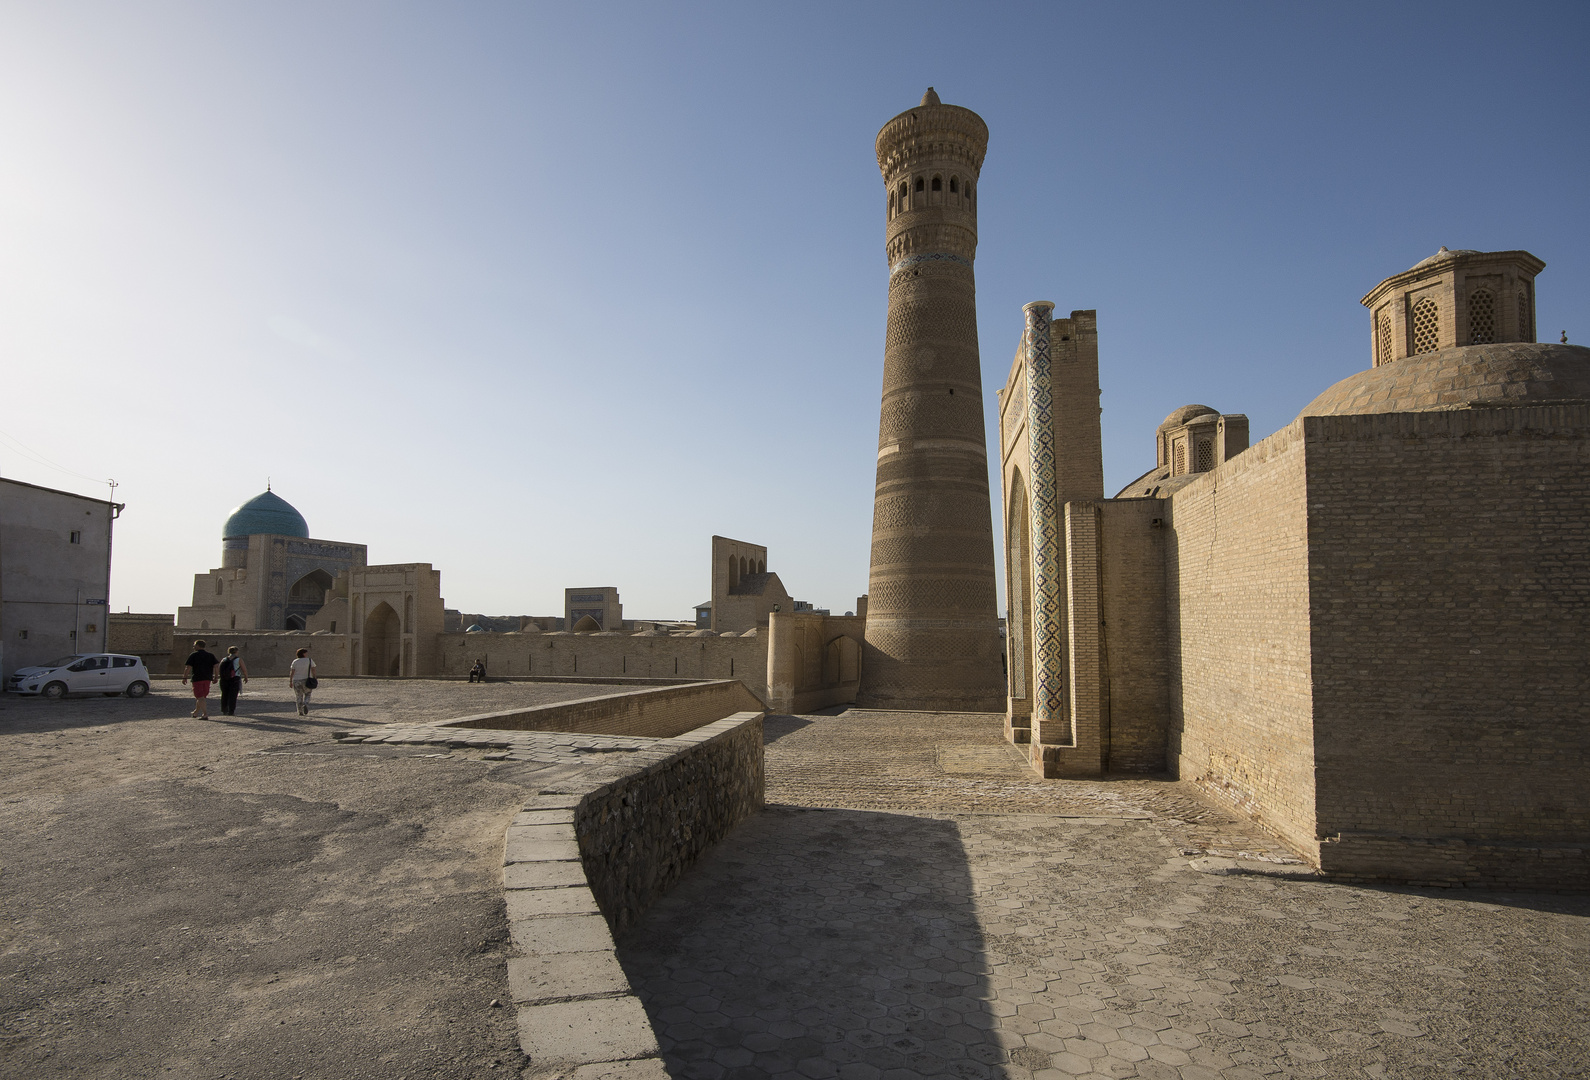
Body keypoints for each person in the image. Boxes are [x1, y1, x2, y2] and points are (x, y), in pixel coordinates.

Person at [182, 639, 220, 720]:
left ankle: (205, 714)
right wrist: (216, 677)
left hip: (197, 678)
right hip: (207, 679)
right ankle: (195, 712)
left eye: (194, 645)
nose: (193, 646)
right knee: (202, 697)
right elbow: (216, 666)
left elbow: (188, 667)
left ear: (198, 646)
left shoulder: (193, 655)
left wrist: (184, 677)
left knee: (200, 697)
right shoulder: (210, 655)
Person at [217, 646, 249, 716]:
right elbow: (244, 669)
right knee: (233, 695)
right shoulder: (238, 659)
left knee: (224, 694)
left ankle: (224, 710)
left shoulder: (224, 659)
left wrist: (217, 677)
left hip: (224, 679)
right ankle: (231, 711)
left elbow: (219, 669)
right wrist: (246, 677)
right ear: (236, 652)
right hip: (234, 679)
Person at [288, 647, 317, 715]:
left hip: (296, 680)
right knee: (308, 694)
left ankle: (300, 711)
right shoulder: (309, 660)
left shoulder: (295, 661)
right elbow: (313, 669)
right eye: (306, 653)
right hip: (306, 680)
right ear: (303, 654)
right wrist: (314, 677)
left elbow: (292, 672)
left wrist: (290, 681)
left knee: (298, 696)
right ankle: (305, 703)